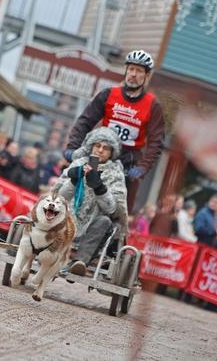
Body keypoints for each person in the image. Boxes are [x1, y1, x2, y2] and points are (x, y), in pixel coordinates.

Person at [63, 50, 165, 211]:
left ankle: (118, 233)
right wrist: (72, 147)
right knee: (70, 181)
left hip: (128, 160)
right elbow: (85, 121)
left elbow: (156, 143)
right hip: (101, 152)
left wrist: (143, 168)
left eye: (138, 71)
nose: (133, 74)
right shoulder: (108, 94)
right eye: (131, 69)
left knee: (121, 208)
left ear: (147, 76)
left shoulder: (153, 105)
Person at [56, 127, 128, 276]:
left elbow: (114, 210)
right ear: (91, 146)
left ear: (111, 152)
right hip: (67, 221)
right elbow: (58, 197)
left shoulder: (115, 173)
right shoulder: (78, 163)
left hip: (93, 228)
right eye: (97, 146)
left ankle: (78, 263)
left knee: (104, 221)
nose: (100, 150)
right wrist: (73, 180)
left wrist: (100, 188)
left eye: (106, 148)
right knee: (55, 209)